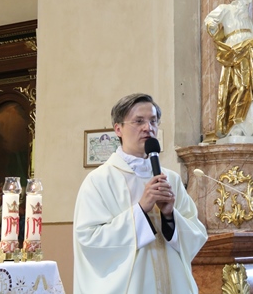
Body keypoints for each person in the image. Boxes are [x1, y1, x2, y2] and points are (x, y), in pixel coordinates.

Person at [73, 93, 208, 294]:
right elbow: (89, 241)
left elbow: (196, 235)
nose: (148, 127)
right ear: (118, 129)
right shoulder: (99, 181)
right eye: (139, 121)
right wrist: (141, 210)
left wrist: (170, 215)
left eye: (153, 121)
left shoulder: (170, 179)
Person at [204, 0, 253, 139]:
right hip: (235, 50)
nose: (248, 2)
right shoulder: (226, 9)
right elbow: (210, 20)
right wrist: (212, 27)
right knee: (239, 87)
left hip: (252, 53)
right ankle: (237, 126)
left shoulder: (247, 19)